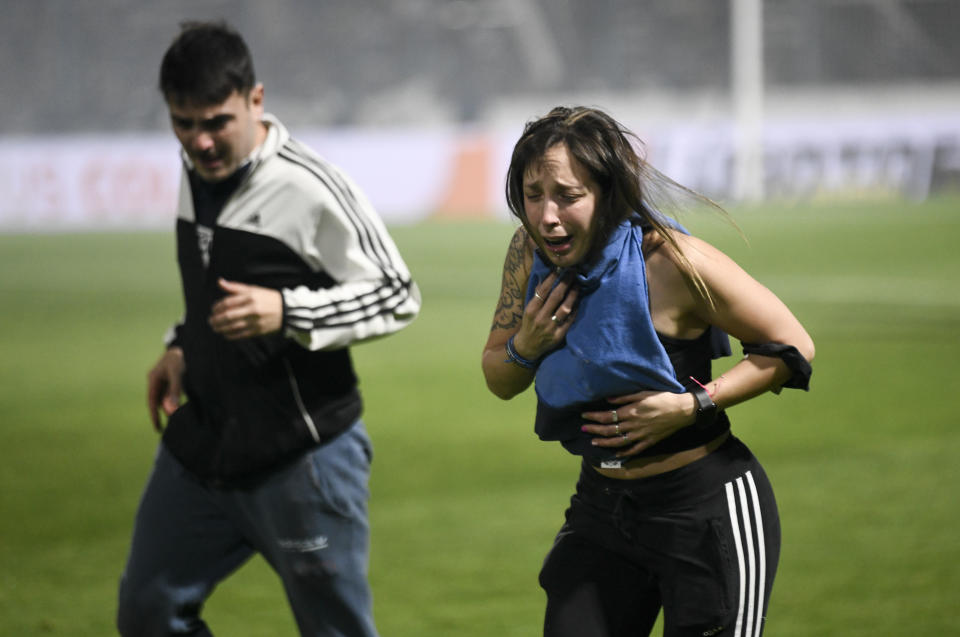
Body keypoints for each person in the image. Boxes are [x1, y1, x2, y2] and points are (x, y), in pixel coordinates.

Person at [117, 21, 421, 637]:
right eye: (183, 122)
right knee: (147, 615)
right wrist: (182, 344)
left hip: (302, 457)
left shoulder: (309, 186)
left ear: (255, 99)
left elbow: (397, 293)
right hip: (201, 445)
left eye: (215, 122)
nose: (199, 142)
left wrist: (289, 312)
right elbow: (214, 281)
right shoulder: (196, 171)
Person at [481, 106, 814, 637]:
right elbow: (499, 377)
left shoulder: (673, 261)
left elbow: (793, 346)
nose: (547, 216)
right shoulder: (527, 252)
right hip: (602, 506)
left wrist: (694, 404)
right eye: (533, 195)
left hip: (706, 509)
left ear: (608, 193)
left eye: (568, 196)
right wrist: (527, 343)